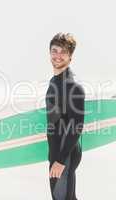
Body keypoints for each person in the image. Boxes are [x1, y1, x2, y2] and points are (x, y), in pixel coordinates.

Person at [45, 32, 85, 200]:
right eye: (55, 51)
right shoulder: (55, 82)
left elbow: (77, 125)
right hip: (57, 154)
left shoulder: (72, 87)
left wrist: (61, 160)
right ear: (49, 53)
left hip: (64, 155)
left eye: (63, 52)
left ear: (70, 56)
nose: (58, 55)